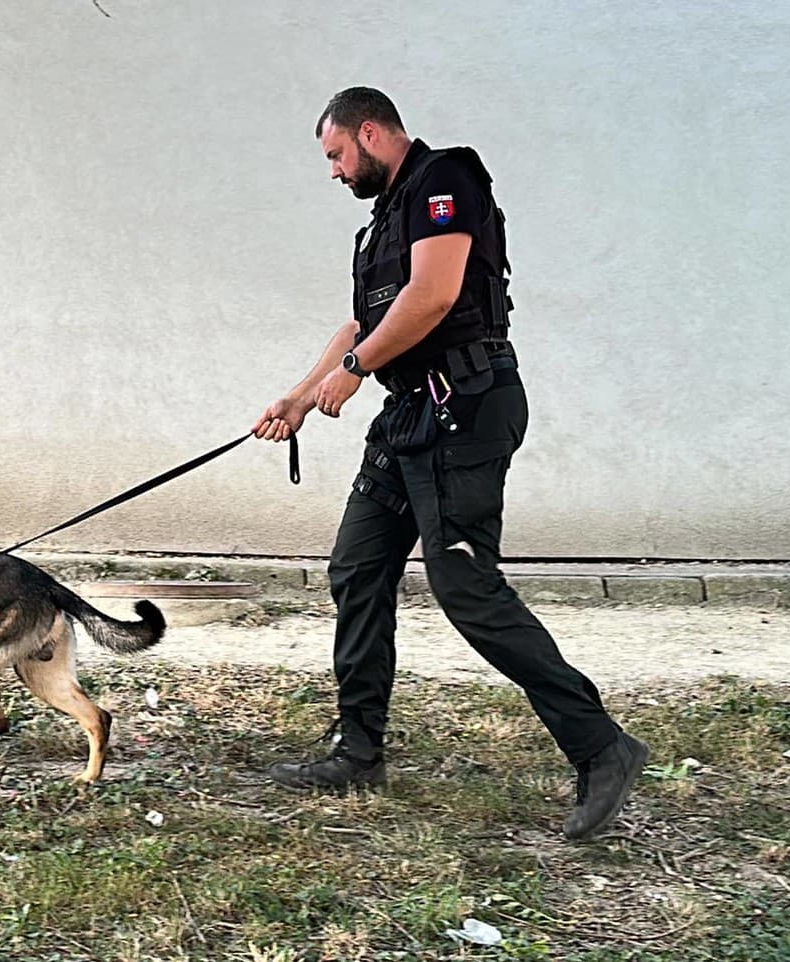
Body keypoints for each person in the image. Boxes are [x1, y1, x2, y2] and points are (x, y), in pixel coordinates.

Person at [252, 87, 648, 839]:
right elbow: (364, 321)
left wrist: (355, 369)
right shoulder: (381, 225)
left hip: (465, 406)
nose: (333, 171)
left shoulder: (445, 179)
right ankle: (357, 750)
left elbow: (433, 297)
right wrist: (302, 395)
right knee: (357, 569)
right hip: (411, 415)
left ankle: (603, 748)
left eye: (336, 153)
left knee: (465, 585)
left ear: (370, 132)